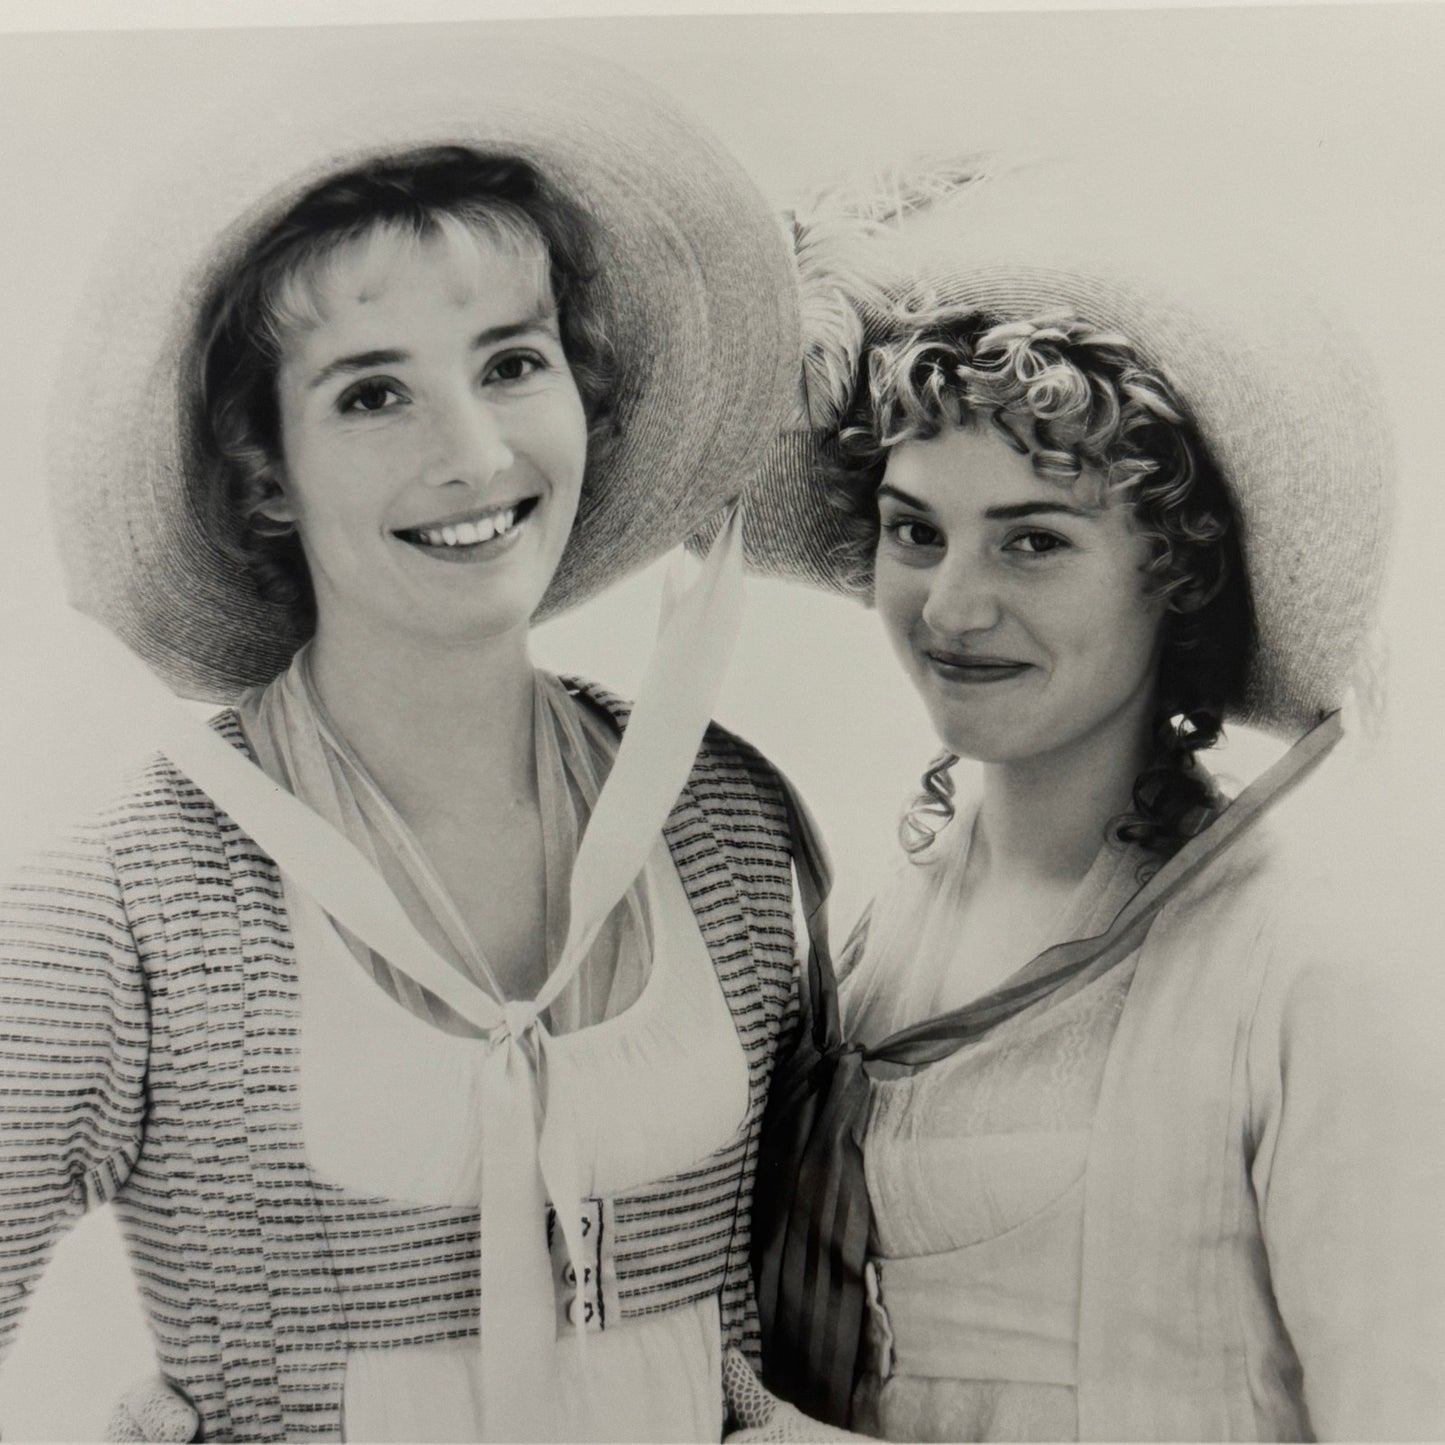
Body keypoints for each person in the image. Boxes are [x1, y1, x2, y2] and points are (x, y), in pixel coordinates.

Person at [0, 40, 807, 1444]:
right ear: (266, 468)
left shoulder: (721, 823)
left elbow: (741, 1362)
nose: (477, 451)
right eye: (372, 392)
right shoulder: (122, 913)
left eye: (512, 361)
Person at [739, 167, 1445, 1440]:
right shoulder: (873, 935)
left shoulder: (1301, 968)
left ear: (1172, 571)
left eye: (1033, 541)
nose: (951, 607)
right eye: (914, 531)